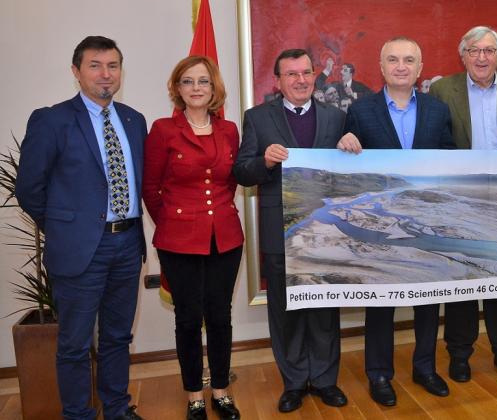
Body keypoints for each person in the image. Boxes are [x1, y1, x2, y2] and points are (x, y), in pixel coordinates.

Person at [16, 36, 146, 420]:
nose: (105, 75)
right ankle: (78, 415)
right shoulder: (52, 119)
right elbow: (29, 189)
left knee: (117, 337)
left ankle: (117, 409)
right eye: (95, 66)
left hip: (127, 243)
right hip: (79, 251)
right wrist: (65, 227)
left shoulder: (133, 120)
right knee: (74, 344)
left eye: (113, 66)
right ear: (76, 72)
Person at [337, 37, 456, 407]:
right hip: (381, 220)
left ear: (420, 68)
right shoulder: (361, 110)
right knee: (381, 300)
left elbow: (451, 158)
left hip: (425, 220)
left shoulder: (438, 109)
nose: (401, 66)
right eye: (393, 59)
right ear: (382, 66)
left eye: (409, 60)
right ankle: (379, 374)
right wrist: (344, 143)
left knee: (428, 299)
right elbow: (348, 162)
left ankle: (425, 367)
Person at [233, 49, 348, 413]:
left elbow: (349, 171)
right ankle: (295, 382)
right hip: (280, 230)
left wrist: (352, 149)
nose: (301, 80)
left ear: (315, 76)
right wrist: (264, 161)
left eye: (306, 73)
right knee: (286, 311)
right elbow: (242, 172)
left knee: (325, 309)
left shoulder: (336, 117)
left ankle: (326, 381)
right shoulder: (257, 118)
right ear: (278, 81)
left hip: (325, 231)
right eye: (291, 74)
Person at [429, 25, 497, 382]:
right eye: (474, 51)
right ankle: (459, 354)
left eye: (489, 50)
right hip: (458, 197)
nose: (482, 57)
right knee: (460, 278)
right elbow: (436, 140)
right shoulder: (441, 89)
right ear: (462, 55)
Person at [142, 56, 244, 419]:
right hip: (178, 239)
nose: (196, 88)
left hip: (226, 237)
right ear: (177, 88)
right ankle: (194, 396)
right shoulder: (163, 130)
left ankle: (220, 390)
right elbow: (151, 189)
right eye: (188, 81)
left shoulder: (230, 129)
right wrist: (172, 223)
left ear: (214, 88)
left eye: (203, 81)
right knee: (187, 319)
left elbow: (229, 181)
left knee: (220, 316)